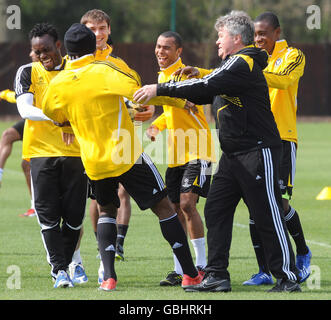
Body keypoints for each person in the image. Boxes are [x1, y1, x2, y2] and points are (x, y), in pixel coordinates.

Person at [134, 10, 302, 293]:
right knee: (215, 209)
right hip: (233, 155)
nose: (217, 42)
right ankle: (217, 276)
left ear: (236, 38)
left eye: (220, 36)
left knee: (266, 212)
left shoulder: (243, 61)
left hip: (257, 152)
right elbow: (206, 85)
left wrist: (158, 87)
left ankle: (287, 276)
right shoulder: (234, 63)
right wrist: (178, 84)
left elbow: (206, 86)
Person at [42, 23, 203, 292]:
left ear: (68, 52)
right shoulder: (104, 70)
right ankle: (190, 274)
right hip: (126, 152)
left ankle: (108, 278)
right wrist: (179, 100)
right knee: (163, 207)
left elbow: (54, 114)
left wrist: (71, 121)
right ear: (93, 47)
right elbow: (139, 91)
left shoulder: (57, 84)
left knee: (106, 210)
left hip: (94, 160)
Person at [75, 9, 154, 285]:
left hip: (121, 140)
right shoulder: (74, 62)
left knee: (122, 193)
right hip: (90, 143)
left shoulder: (119, 63)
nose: (97, 34)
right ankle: (101, 254)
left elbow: (135, 98)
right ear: (83, 31)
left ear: (109, 30)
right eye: (92, 29)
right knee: (98, 200)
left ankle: (116, 245)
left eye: (102, 28)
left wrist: (144, 109)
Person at [14, 23, 88, 288]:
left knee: (74, 218)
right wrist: (58, 117)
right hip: (41, 153)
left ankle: (69, 264)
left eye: (46, 50)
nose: (42, 56)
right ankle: (59, 271)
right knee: (47, 217)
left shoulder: (78, 70)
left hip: (76, 153)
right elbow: (25, 109)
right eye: (37, 51)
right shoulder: (27, 72)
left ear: (59, 46)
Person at [242, 12, 311, 286]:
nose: (259, 39)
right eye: (256, 34)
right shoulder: (251, 57)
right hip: (253, 140)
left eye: (263, 34)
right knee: (253, 205)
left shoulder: (293, 55)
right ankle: (264, 270)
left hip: (282, 138)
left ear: (276, 33)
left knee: (279, 204)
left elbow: (282, 80)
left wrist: (251, 68)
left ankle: (303, 252)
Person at [146, 31, 215, 286]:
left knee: (187, 204)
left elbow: (201, 85)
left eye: (166, 48)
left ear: (178, 51)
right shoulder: (162, 77)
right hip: (176, 155)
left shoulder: (188, 73)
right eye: (158, 46)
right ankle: (181, 269)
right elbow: (170, 110)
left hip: (200, 150)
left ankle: (201, 265)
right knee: (173, 210)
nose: (160, 52)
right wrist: (157, 125)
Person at [0, 52, 38, 217]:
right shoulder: (29, 71)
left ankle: (37, 206)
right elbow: (20, 96)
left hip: (43, 121)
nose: (31, 54)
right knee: (7, 134)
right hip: (31, 119)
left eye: (36, 51)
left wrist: (4, 94)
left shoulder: (52, 72)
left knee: (27, 164)